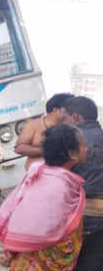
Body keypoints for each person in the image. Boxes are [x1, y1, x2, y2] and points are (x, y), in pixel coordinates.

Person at [0, 124, 87, 270]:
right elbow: (40, 226)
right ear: (72, 153)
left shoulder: (42, 172)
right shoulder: (58, 185)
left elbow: (18, 209)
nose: (87, 148)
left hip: (28, 258)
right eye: (83, 145)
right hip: (40, 261)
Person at [63, 96, 103, 270]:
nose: (64, 123)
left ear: (76, 117)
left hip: (84, 215)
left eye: (66, 118)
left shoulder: (71, 142)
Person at [14, 93, 74, 170]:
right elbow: (19, 148)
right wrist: (46, 150)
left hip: (65, 173)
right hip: (39, 175)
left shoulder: (71, 125)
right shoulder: (33, 125)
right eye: (68, 109)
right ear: (55, 110)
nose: (71, 112)